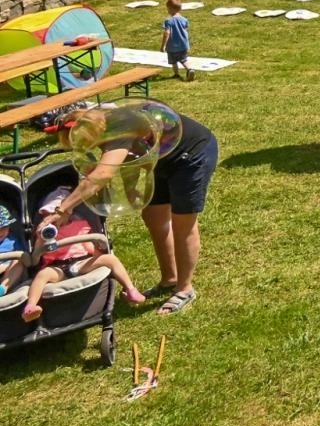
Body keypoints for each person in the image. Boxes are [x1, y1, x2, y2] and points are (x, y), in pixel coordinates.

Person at [38, 104, 218, 315]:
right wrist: (130, 188)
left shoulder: (118, 131)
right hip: (162, 158)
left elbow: (101, 175)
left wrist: (63, 209)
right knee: (153, 216)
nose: (87, 148)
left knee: (183, 223)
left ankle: (185, 288)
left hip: (192, 154)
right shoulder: (104, 125)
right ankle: (170, 279)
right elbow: (130, 157)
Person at [22, 187, 146, 321]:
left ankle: (131, 289)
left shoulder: (79, 225)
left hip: (81, 262)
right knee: (42, 275)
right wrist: (41, 238)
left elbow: (89, 247)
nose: (51, 218)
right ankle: (30, 307)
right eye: (46, 215)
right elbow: (36, 257)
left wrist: (98, 253)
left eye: (53, 214)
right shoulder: (45, 234)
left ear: (67, 213)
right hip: (57, 268)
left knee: (110, 259)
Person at [160, 0, 194, 82]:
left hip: (172, 46)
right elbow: (185, 30)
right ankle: (189, 69)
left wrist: (163, 45)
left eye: (167, 9)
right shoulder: (184, 19)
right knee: (183, 59)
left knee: (173, 61)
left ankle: (176, 74)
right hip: (183, 45)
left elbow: (167, 33)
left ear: (171, 9)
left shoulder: (168, 20)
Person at [0, 206, 27, 296]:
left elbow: (23, 257)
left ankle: (2, 289)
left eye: (4, 227)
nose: (1, 232)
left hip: (8, 275)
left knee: (19, 262)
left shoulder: (13, 241)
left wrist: (4, 267)